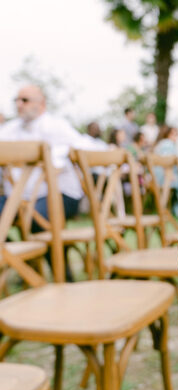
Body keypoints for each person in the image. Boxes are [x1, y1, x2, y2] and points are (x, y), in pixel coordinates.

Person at [0, 85, 107, 280]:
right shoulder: (8, 130)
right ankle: (23, 262)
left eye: (24, 100)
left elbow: (88, 150)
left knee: (39, 218)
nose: (19, 104)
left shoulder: (57, 126)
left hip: (59, 194)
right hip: (16, 198)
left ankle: (63, 275)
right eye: (16, 100)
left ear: (41, 103)